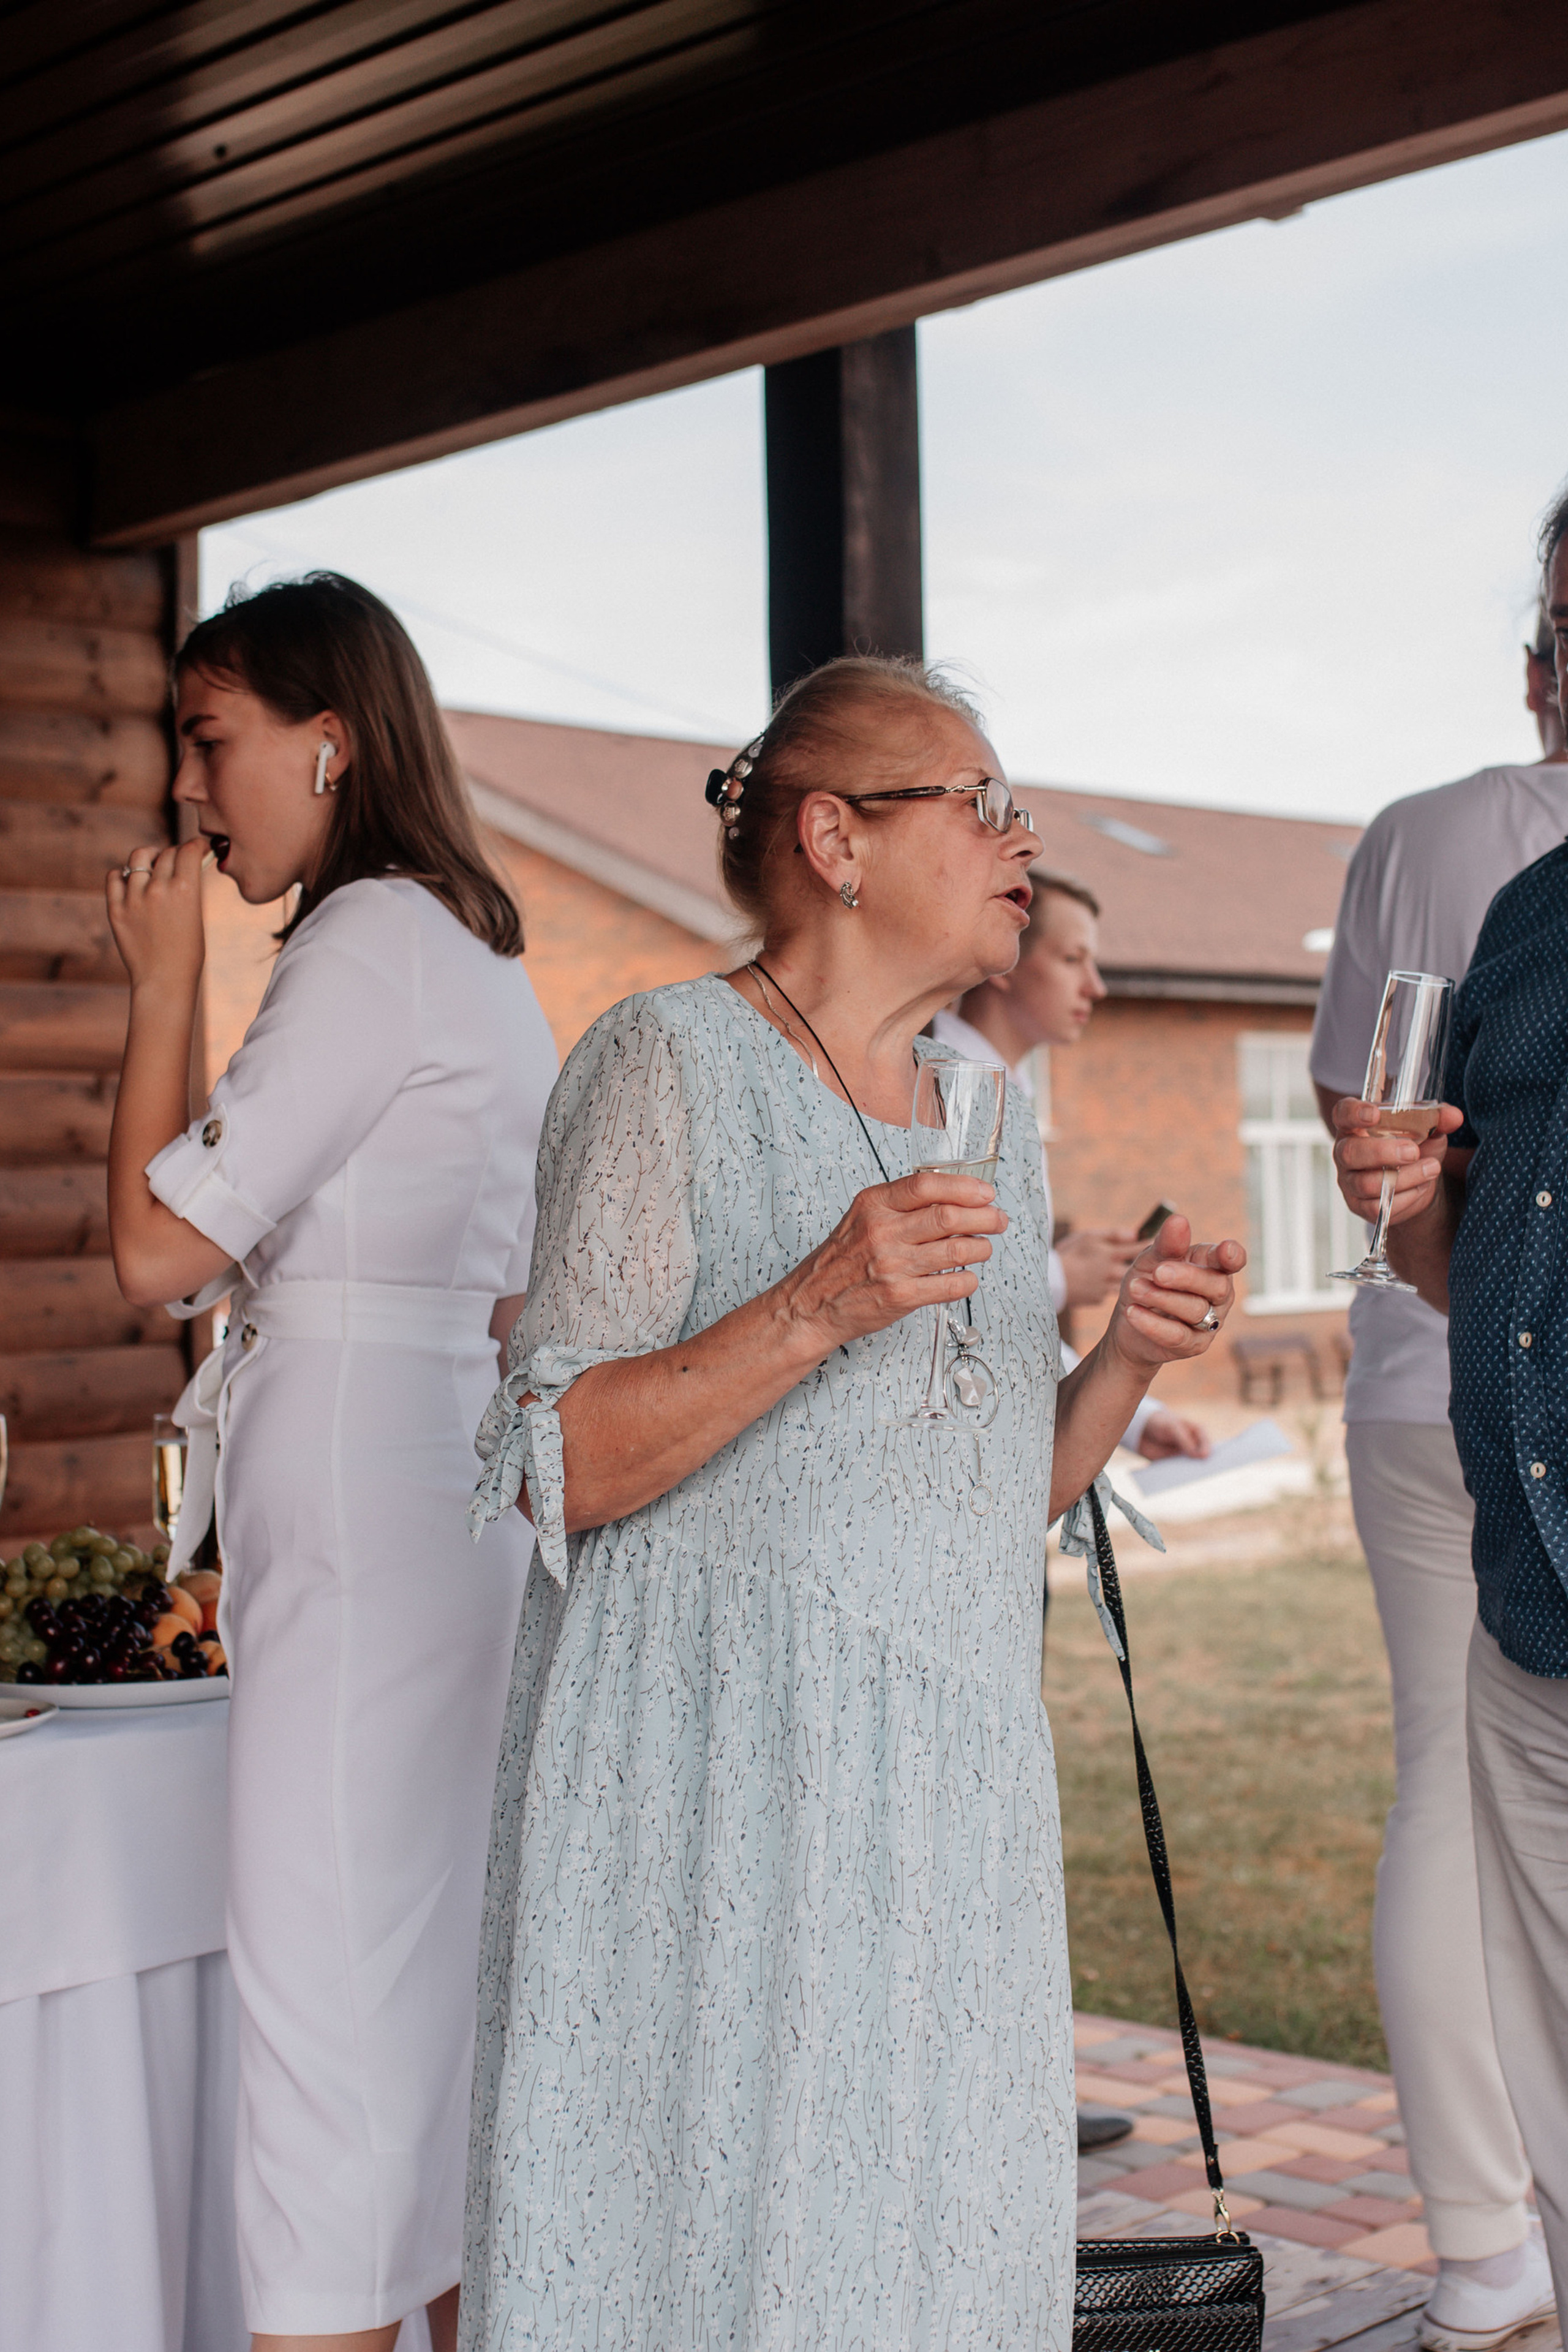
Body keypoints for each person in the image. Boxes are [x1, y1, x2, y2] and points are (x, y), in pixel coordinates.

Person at [462, 655, 1245, 2350]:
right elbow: (563, 1464)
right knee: (721, 2249)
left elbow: (982, 1498)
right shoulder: (661, 1064)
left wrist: (1121, 1362)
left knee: (925, 2252)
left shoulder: (991, 1115)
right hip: (725, 1789)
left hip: (944, 1804)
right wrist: (816, 1301)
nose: (1016, 833)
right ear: (836, 838)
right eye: (977, 801)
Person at [104, 575, 559, 2352]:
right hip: (430, 1501)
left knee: (321, 2009)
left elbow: (158, 1254)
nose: (189, 795)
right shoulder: (462, 940)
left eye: (207, 745)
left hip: (373, 1521)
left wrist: (165, 986)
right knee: (414, 2000)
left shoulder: (366, 939)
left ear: (328, 738)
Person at [1312, 609, 1566, 2352]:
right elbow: (1389, 1145)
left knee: (1443, 1791)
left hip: (1422, 1383)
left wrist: (1394, 1183)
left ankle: (1486, 2245)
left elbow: (1363, 1107)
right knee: (1498, 1805)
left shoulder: (1418, 834)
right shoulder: (1504, 889)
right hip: (1462, 1348)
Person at [935, 868, 1211, 1465]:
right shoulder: (932, 1087)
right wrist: (1057, 1277)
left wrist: (1141, 1422)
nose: (1097, 987)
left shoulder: (1014, 1094)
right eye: (1072, 959)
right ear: (1003, 959)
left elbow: (1009, 1327)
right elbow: (932, 1304)